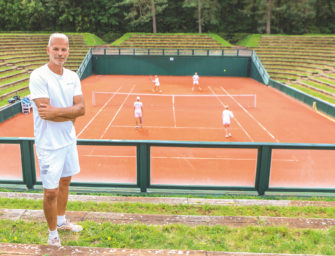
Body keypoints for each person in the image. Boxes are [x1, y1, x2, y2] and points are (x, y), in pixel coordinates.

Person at [29, 33, 85, 247]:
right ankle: (52, 235)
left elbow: (82, 109)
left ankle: (61, 222)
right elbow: (45, 113)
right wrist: (72, 112)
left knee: (65, 182)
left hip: (68, 140)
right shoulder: (38, 76)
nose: (60, 53)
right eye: (56, 49)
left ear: (68, 51)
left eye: (64, 49)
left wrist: (59, 112)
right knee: (51, 192)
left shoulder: (73, 76)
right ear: (48, 50)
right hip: (49, 145)